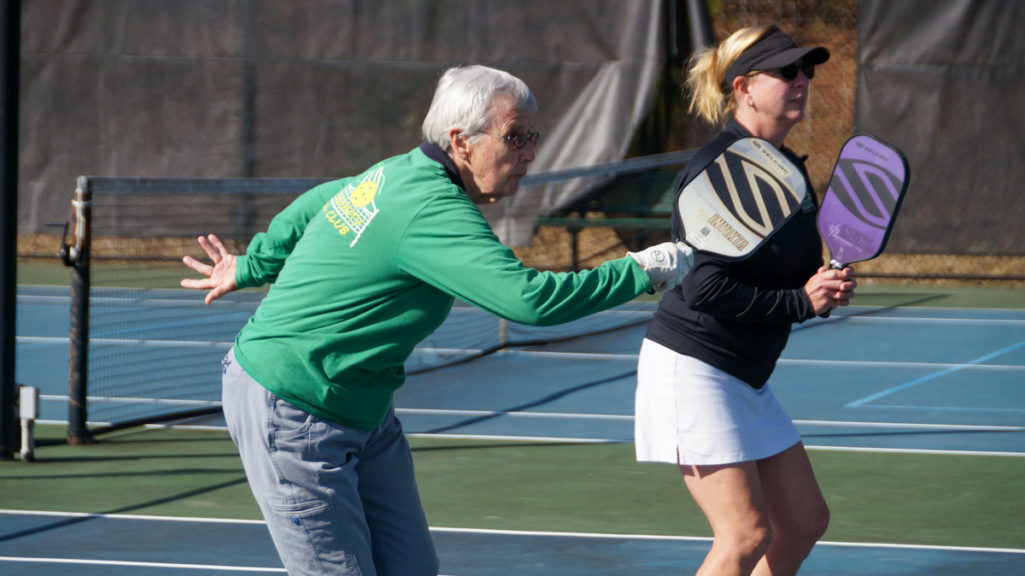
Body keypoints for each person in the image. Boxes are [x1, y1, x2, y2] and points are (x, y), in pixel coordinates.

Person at [181, 64, 693, 576]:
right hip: (292, 404)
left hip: (362, 406)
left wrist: (251, 266)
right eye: (514, 137)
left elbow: (316, 202)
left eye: (531, 136)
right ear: (461, 141)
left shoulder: (398, 171)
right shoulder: (431, 207)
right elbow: (531, 302)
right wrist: (642, 270)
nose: (529, 154)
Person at [634, 25, 857, 576]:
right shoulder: (719, 171)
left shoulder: (786, 170)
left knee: (803, 521)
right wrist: (800, 303)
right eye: (786, 71)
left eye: (806, 70)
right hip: (694, 366)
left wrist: (823, 285)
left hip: (743, 374)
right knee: (745, 534)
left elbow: (785, 275)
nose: (802, 80)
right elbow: (701, 286)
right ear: (743, 88)